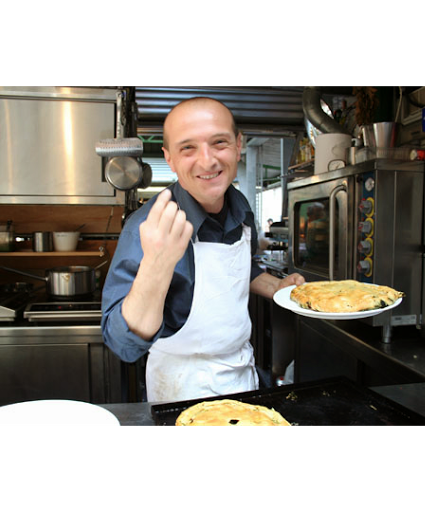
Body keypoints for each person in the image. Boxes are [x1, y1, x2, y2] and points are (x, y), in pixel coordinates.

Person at [101, 97, 304, 402]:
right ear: (169, 159)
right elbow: (123, 345)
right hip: (179, 390)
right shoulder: (147, 226)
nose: (207, 161)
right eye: (188, 148)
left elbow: (238, 270)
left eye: (218, 142)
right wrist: (158, 264)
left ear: (239, 145)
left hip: (242, 378)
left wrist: (278, 286)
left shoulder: (241, 207)